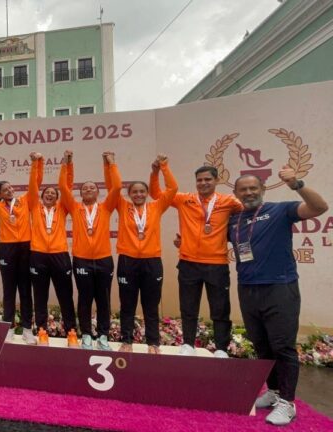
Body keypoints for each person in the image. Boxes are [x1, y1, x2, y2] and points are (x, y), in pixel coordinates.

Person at [229, 167, 327, 426]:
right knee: (261, 345)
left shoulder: (281, 210)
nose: (249, 192)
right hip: (248, 288)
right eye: (243, 189)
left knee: (283, 346)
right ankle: (272, 391)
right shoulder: (234, 220)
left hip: (280, 288)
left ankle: (288, 402)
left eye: (253, 188)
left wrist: (298, 184)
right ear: (236, 193)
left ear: (262, 190)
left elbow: (319, 208)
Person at [149, 165, 242, 358]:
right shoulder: (185, 199)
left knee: (220, 309)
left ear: (216, 180)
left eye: (207, 179)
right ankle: (188, 344)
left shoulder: (229, 202)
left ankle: (221, 349)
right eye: (199, 180)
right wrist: (158, 170)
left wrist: (227, 235)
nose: (203, 183)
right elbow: (157, 193)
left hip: (217, 264)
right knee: (188, 307)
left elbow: (245, 217)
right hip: (188, 262)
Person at [109, 155, 178, 354]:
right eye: (134, 192)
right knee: (127, 304)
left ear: (147, 193)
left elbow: (172, 188)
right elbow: (115, 187)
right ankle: (127, 341)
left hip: (152, 261)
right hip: (127, 261)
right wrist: (112, 164)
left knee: (151, 305)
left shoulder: (156, 207)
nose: (138, 194)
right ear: (129, 194)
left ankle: (153, 343)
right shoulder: (122, 206)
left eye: (142, 191)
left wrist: (160, 168)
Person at [59, 150, 121, 350]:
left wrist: (110, 163)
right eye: (84, 188)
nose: (88, 189)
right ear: (80, 193)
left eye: (92, 187)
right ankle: (86, 334)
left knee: (103, 300)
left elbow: (117, 186)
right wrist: (67, 164)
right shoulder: (75, 207)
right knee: (85, 299)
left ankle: (103, 336)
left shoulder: (106, 207)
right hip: (81, 260)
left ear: (98, 192)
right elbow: (62, 186)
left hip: (104, 260)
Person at [0, 154, 35, 342]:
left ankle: (28, 328)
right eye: (5, 190)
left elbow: (35, 184)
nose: (9, 191)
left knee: (25, 290)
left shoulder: (24, 201)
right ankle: (9, 327)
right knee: (9, 290)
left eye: (10, 188)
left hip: (25, 248)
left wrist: (36, 163)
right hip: (6, 249)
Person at [26, 152, 76, 341]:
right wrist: (36, 163)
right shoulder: (34, 206)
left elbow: (67, 186)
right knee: (40, 296)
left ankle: (71, 330)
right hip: (38, 255)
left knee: (65, 295)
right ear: (42, 196)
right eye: (46, 193)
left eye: (53, 194)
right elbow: (33, 185)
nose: (49, 195)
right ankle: (41, 329)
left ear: (57, 198)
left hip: (59, 255)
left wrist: (68, 164)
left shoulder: (63, 208)